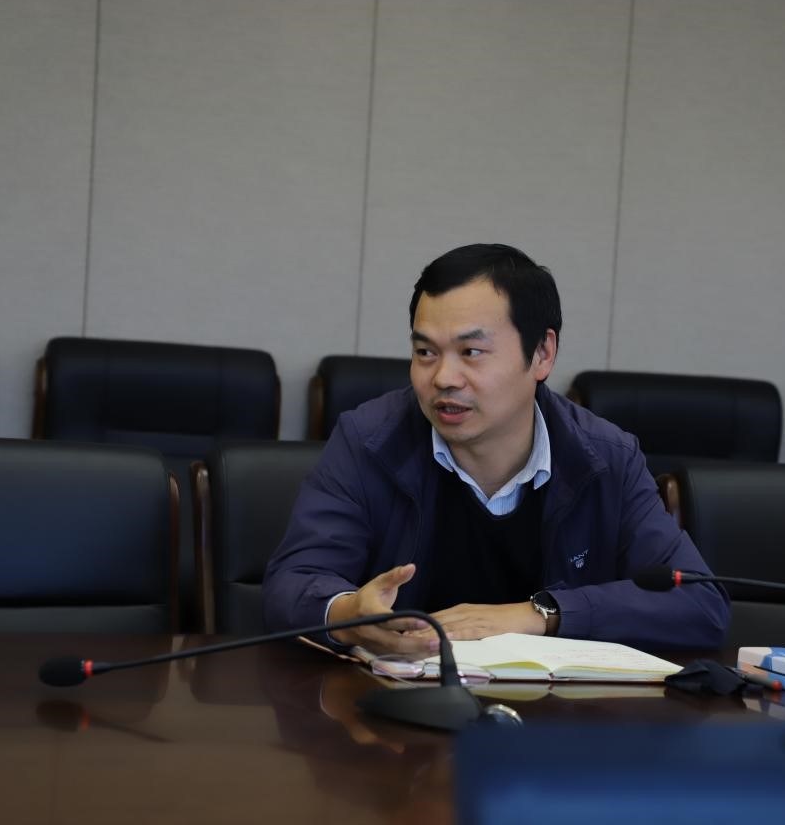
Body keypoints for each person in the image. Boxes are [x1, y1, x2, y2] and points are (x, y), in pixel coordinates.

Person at [263, 243, 728, 655]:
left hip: (553, 717)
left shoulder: (606, 459)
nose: (443, 378)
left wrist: (540, 614)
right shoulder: (369, 441)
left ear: (542, 354)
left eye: (471, 353)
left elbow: (700, 604)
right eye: (425, 353)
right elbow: (292, 582)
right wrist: (350, 616)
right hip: (401, 709)